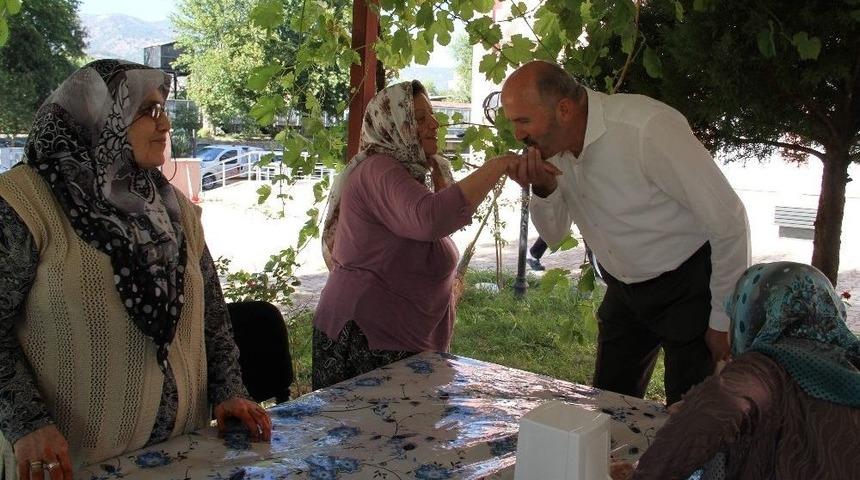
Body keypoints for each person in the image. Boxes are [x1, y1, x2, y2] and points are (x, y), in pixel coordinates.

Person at [0, 60, 271, 479]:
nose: (165, 125)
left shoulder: (170, 206)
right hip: (72, 462)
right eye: (148, 110)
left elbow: (211, 313)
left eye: (164, 109)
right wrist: (26, 422)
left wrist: (228, 388)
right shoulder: (24, 202)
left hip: (183, 453)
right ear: (98, 113)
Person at [502, 60, 750, 404]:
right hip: (623, 289)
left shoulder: (646, 128)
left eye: (523, 121)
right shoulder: (552, 148)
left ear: (564, 109)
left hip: (690, 286)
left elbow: (729, 219)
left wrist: (723, 320)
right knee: (608, 406)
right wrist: (544, 189)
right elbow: (555, 235)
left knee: (691, 417)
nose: (517, 135)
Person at [313, 80, 556, 390]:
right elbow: (430, 218)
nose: (434, 123)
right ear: (394, 125)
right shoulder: (378, 170)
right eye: (418, 117)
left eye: (431, 114)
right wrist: (498, 165)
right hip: (364, 339)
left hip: (398, 338)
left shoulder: (411, 173)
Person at [617, 262, 860, 479]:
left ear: (754, 311)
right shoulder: (846, 363)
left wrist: (646, 474)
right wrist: (696, 404)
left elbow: (719, 409)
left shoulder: (766, 364)